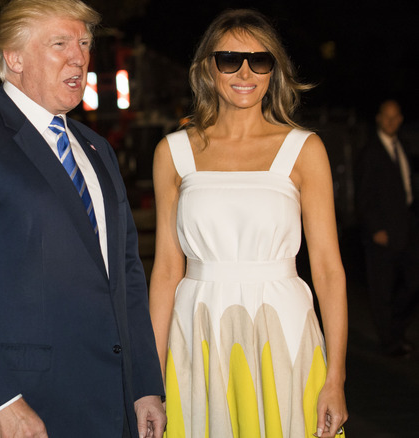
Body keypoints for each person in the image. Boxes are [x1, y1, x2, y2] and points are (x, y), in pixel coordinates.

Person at [0, 0, 166, 436]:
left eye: (84, 43)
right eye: (60, 43)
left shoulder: (96, 150)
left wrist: (144, 384)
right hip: (13, 408)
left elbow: (124, 274)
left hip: (104, 405)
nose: (79, 57)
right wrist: (0, 401)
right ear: (14, 57)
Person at [149, 9, 348, 438]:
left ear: (274, 71)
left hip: (283, 330)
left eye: (260, 60)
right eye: (229, 59)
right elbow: (166, 270)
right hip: (197, 330)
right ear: (208, 67)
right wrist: (151, 380)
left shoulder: (304, 149)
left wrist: (336, 378)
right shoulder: (173, 153)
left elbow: (329, 270)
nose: (245, 71)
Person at [355, 99, 419, 357]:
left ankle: (397, 329)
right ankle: (390, 341)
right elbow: (363, 195)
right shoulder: (370, 152)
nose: (392, 122)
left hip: (406, 227)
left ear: (400, 119)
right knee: (382, 289)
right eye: (387, 117)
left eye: (396, 117)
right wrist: (374, 229)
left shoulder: (402, 144)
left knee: (413, 282)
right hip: (381, 234)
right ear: (379, 119)